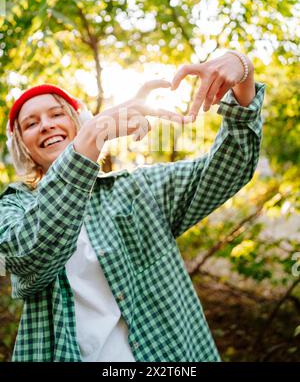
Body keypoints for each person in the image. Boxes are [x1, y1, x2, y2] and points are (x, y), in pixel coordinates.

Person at [0, 51, 266, 362]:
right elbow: (26, 256)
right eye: (31, 123)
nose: (46, 125)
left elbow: (229, 167)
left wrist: (243, 72)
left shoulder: (136, 188)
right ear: (21, 145)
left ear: (76, 123)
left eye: (57, 114)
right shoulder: (13, 206)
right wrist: (91, 138)